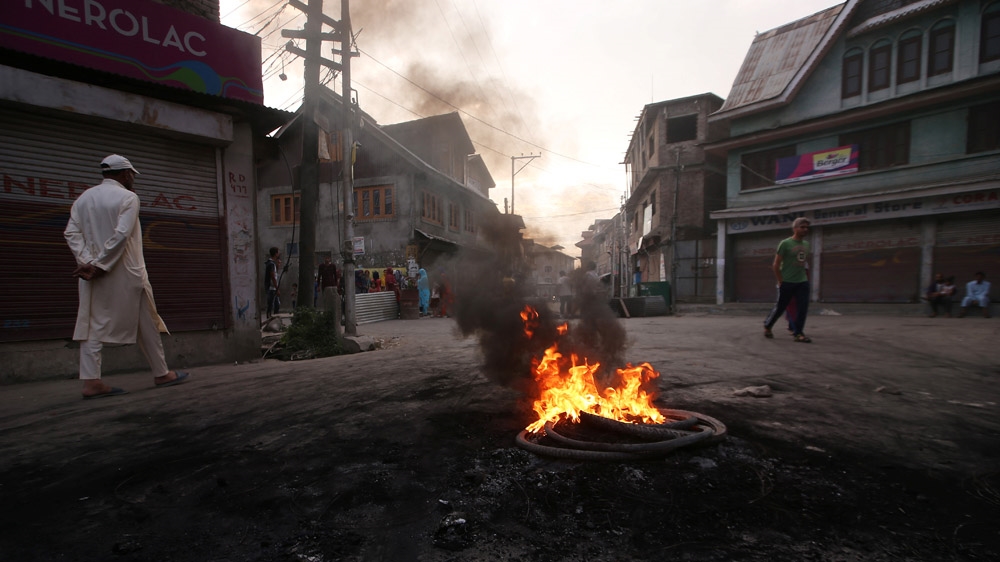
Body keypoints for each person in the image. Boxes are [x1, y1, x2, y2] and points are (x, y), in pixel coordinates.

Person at [64, 154, 189, 399]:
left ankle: (93, 381)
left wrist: (87, 262)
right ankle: (161, 373)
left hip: (94, 275)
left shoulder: (84, 198)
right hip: (126, 273)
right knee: (147, 322)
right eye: (132, 174)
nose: (133, 179)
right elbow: (122, 235)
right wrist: (99, 265)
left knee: (91, 324)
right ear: (125, 174)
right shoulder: (129, 198)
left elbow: (71, 233)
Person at [763, 217, 812, 343]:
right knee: (781, 307)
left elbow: (803, 263)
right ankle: (768, 326)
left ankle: (798, 333)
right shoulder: (785, 243)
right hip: (787, 281)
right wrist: (780, 280)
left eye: (807, 227)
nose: (805, 229)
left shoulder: (806, 245)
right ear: (795, 228)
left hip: (802, 282)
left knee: (802, 307)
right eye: (802, 227)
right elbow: (776, 264)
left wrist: (806, 278)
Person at [264, 247, 280, 317]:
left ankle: (273, 318)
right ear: (276, 254)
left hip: (272, 288)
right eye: (278, 252)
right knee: (272, 304)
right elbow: (273, 277)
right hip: (271, 288)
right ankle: (269, 318)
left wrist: (278, 265)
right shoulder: (271, 264)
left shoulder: (272, 264)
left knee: (276, 304)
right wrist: (277, 288)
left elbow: (275, 273)